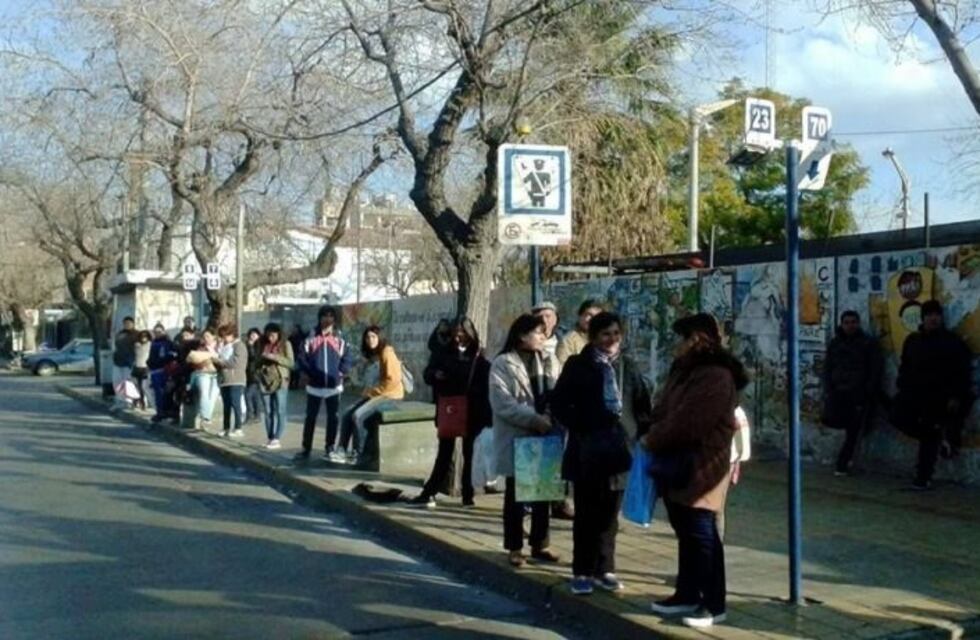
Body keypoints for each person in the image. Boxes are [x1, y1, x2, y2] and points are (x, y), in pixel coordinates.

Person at [641, 313, 748, 629]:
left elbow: (690, 422)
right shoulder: (685, 371)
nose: (677, 345)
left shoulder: (715, 376)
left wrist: (653, 437)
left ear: (697, 340)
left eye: (682, 338)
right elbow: (665, 408)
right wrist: (653, 426)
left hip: (702, 466)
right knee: (686, 532)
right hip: (678, 463)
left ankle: (713, 604)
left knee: (703, 535)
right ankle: (687, 594)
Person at [552, 312, 652, 596]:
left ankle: (605, 568)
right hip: (588, 451)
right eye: (606, 334)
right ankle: (582, 571)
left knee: (610, 516)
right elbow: (559, 403)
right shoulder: (577, 365)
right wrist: (581, 425)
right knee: (586, 514)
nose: (611, 340)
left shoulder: (628, 367)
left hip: (621, 452)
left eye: (616, 334)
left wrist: (641, 434)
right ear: (594, 336)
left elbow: (642, 406)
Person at [489, 313, 561, 568]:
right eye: (538, 333)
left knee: (543, 493)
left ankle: (541, 544)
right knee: (516, 496)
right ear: (521, 336)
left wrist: (549, 417)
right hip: (518, 434)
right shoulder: (502, 363)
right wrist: (533, 419)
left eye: (544, 333)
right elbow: (502, 403)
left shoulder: (550, 361)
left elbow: (558, 393)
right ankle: (515, 547)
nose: (543, 337)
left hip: (545, 432)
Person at [409, 317, 492, 508]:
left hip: (473, 412)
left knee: (470, 454)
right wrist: (436, 376)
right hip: (450, 409)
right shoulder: (443, 353)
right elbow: (428, 374)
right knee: (445, 453)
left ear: (471, 334)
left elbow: (485, 384)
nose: (459, 336)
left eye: (463, 332)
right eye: (456, 332)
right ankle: (430, 491)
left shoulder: (479, 357)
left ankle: (468, 495)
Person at [893, 300, 974, 490]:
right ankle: (940, 439)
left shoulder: (952, 342)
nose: (933, 319)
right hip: (913, 396)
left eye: (936, 315)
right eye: (929, 315)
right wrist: (903, 386)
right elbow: (905, 367)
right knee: (899, 418)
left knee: (930, 433)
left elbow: (962, 371)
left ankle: (923, 477)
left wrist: (956, 396)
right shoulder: (913, 341)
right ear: (922, 318)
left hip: (939, 397)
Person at [822, 310, 882, 476]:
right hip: (838, 393)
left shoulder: (867, 344)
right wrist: (829, 388)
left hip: (858, 393)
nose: (850, 326)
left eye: (853, 322)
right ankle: (844, 462)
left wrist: (868, 390)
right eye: (847, 322)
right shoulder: (835, 343)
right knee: (840, 424)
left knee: (854, 430)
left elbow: (875, 369)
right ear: (842, 324)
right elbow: (828, 367)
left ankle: (843, 463)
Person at [336, 326, 405, 464]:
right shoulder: (374, 354)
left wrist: (373, 392)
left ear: (380, 337)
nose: (370, 340)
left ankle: (359, 453)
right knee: (347, 413)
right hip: (378, 394)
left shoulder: (387, 352)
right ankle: (341, 450)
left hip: (391, 396)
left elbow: (393, 381)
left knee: (358, 415)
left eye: (373, 336)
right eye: (367, 337)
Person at [295, 306, 353, 462]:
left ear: (334, 319)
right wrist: (309, 373)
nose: (327, 319)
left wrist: (340, 373)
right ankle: (306, 448)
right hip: (314, 386)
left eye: (330, 316)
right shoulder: (311, 337)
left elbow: (347, 358)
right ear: (319, 318)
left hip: (334, 387)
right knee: (310, 418)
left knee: (333, 418)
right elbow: (302, 358)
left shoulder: (340, 338)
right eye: (324, 316)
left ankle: (329, 447)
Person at [257, 323, 294, 450]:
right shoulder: (262, 344)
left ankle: (277, 438)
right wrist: (262, 358)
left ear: (278, 334)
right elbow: (255, 362)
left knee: (280, 410)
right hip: (265, 381)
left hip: (281, 380)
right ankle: (270, 437)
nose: (270, 337)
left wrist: (275, 357)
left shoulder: (285, 344)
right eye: (268, 334)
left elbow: (291, 363)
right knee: (268, 411)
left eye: (272, 334)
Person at [186, 328, 220, 427]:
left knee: (213, 396)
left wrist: (212, 352)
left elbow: (220, 358)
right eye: (204, 337)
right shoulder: (201, 347)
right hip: (202, 373)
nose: (206, 339)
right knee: (204, 393)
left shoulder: (218, 346)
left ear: (214, 337)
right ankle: (205, 417)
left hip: (216, 374)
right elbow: (193, 359)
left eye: (208, 336)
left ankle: (207, 415)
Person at [557, 300, 604, 366]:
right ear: (580, 316)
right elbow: (563, 371)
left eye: (597, 317)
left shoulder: (604, 341)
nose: (592, 320)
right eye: (589, 315)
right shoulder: (569, 341)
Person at [148, 324, 177, 422]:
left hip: (165, 370)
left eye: (159, 332)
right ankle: (160, 412)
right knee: (157, 393)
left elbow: (173, 355)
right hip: (154, 370)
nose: (157, 334)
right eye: (155, 332)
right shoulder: (153, 343)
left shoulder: (168, 343)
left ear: (164, 331)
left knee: (164, 393)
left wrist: (164, 360)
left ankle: (166, 412)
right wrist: (149, 363)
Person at [112, 317, 138, 405]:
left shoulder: (136, 334)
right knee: (117, 381)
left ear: (133, 324)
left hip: (129, 362)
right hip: (118, 361)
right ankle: (119, 399)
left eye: (129, 323)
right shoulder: (120, 334)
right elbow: (116, 346)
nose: (127, 325)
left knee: (128, 382)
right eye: (125, 323)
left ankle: (128, 401)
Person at [244, 327, 265, 425]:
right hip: (248, 373)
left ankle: (250, 415)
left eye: (255, 334)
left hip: (256, 374)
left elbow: (255, 357)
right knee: (256, 396)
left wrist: (250, 346)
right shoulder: (246, 345)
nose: (252, 336)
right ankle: (257, 416)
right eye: (251, 334)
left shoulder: (259, 346)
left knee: (248, 395)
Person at [132, 330, 153, 411]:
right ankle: (136, 400)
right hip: (136, 367)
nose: (143, 338)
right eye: (142, 336)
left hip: (145, 367)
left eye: (145, 336)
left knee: (143, 386)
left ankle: (142, 403)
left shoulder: (150, 344)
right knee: (136, 386)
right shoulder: (136, 345)